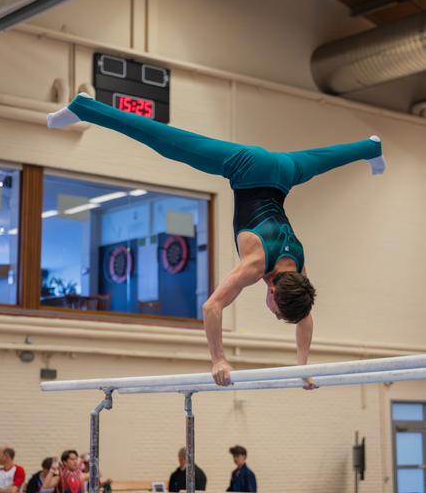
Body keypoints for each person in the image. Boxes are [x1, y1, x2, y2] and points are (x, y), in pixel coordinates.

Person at [48, 94, 386, 386]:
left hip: (284, 173)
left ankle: (371, 148)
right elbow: (211, 306)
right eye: (277, 312)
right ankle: (86, 107)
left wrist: (303, 367)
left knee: (326, 159)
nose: (275, 315)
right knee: (166, 140)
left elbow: (305, 314)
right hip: (248, 168)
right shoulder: (255, 266)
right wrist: (218, 360)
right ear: (271, 291)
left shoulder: (297, 267)